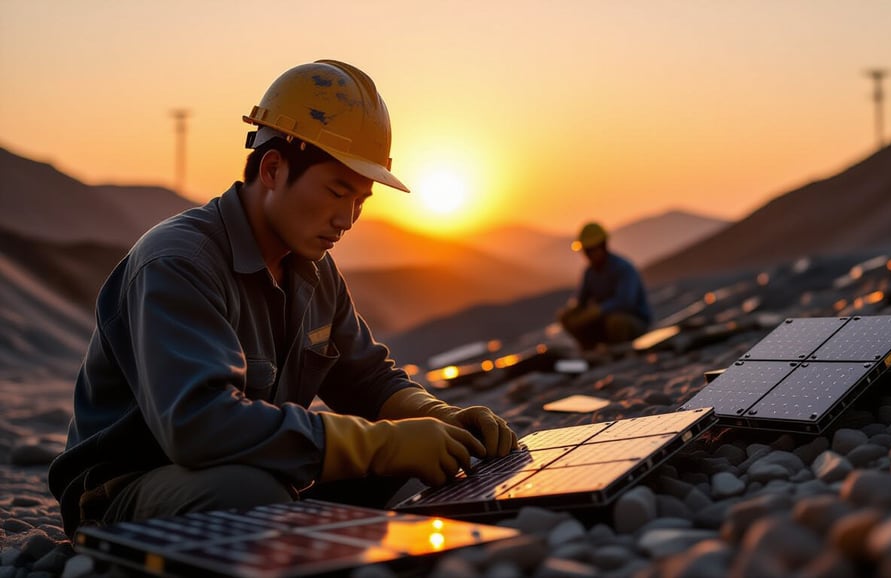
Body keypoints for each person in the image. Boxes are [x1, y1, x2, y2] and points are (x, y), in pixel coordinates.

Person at [48, 59, 517, 537]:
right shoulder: (179, 262)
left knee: (430, 459)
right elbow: (198, 425)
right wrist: (382, 444)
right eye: (337, 192)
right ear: (272, 169)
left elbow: (368, 379)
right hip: (130, 485)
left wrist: (442, 418)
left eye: (360, 200)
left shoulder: (314, 269)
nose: (348, 218)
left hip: (259, 470)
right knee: (249, 495)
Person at [558, 222, 652, 351]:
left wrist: (600, 310)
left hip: (634, 322)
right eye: (585, 251)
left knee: (616, 321)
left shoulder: (623, 268)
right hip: (605, 323)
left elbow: (626, 302)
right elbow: (581, 300)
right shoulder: (590, 273)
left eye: (590, 250)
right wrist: (573, 311)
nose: (587, 255)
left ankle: (621, 352)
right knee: (567, 317)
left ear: (603, 246)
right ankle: (589, 349)